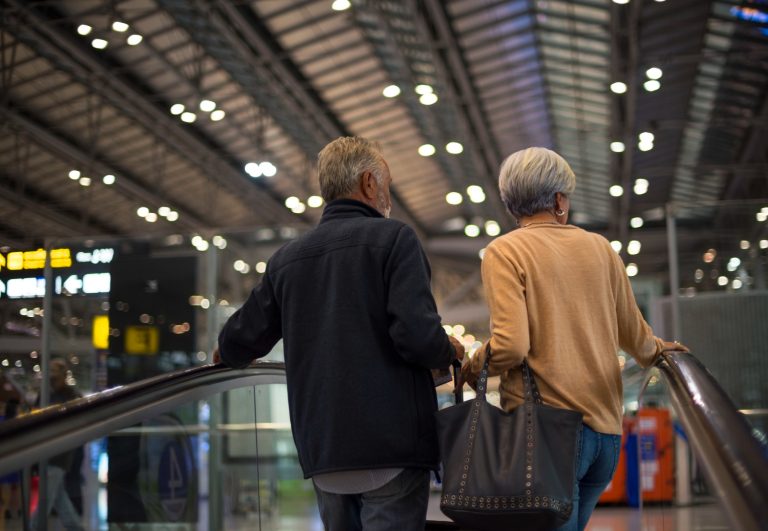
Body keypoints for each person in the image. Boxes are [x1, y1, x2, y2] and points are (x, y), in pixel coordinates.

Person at [217, 136, 464, 531]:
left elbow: (236, 341)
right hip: (392, 446)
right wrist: (447, 350)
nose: (389, 196)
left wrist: (225, 354)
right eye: (387, 185)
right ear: (369, 183)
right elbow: (416, 337)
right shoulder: (394, 239)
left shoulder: (287, 259)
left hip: (324, 451)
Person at [461, 147, 688, 531]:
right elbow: (636, 337)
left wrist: (474, 363)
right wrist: (662, 350)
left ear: (511, 203)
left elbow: (512, 344)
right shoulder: (600, 249)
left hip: (548, 435)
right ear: (559, 200)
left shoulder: (505, 251)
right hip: (605, 435)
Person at [32, 359, 84, 531]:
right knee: (59, 495)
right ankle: (75, 526)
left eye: (55, 372)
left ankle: (32, 527)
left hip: (61, 451)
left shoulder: (71, 396)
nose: (52, 376)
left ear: (63, 374)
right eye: (50, 372)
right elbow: (34, 416)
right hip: (46, 449)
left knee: (47, 495)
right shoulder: (46, 394)